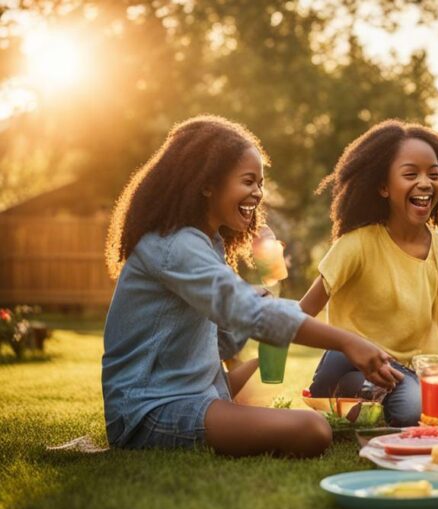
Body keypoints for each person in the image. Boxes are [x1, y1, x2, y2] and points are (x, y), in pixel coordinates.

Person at [103, 116, 402, 457]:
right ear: (207, 183)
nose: (257, 194)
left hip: (195, 394)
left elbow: (223, 335)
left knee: (300, 421)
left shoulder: (206, 243)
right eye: (248, 181)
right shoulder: (176, 245)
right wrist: (348, 342)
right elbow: (245, 311)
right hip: (150, 410)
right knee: (312, 430)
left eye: (260, 183)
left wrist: (265, 333)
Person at [300, 120, 438, 427]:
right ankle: (341, 393)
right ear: (383, 186)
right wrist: (347, 344)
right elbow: (302, 313)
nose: (425, 183)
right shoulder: (357, 244)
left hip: (402, 371)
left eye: (433, 175)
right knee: (409, 408)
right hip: (346, 361)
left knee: (417, 411)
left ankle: (367, 398)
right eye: (411, 174)